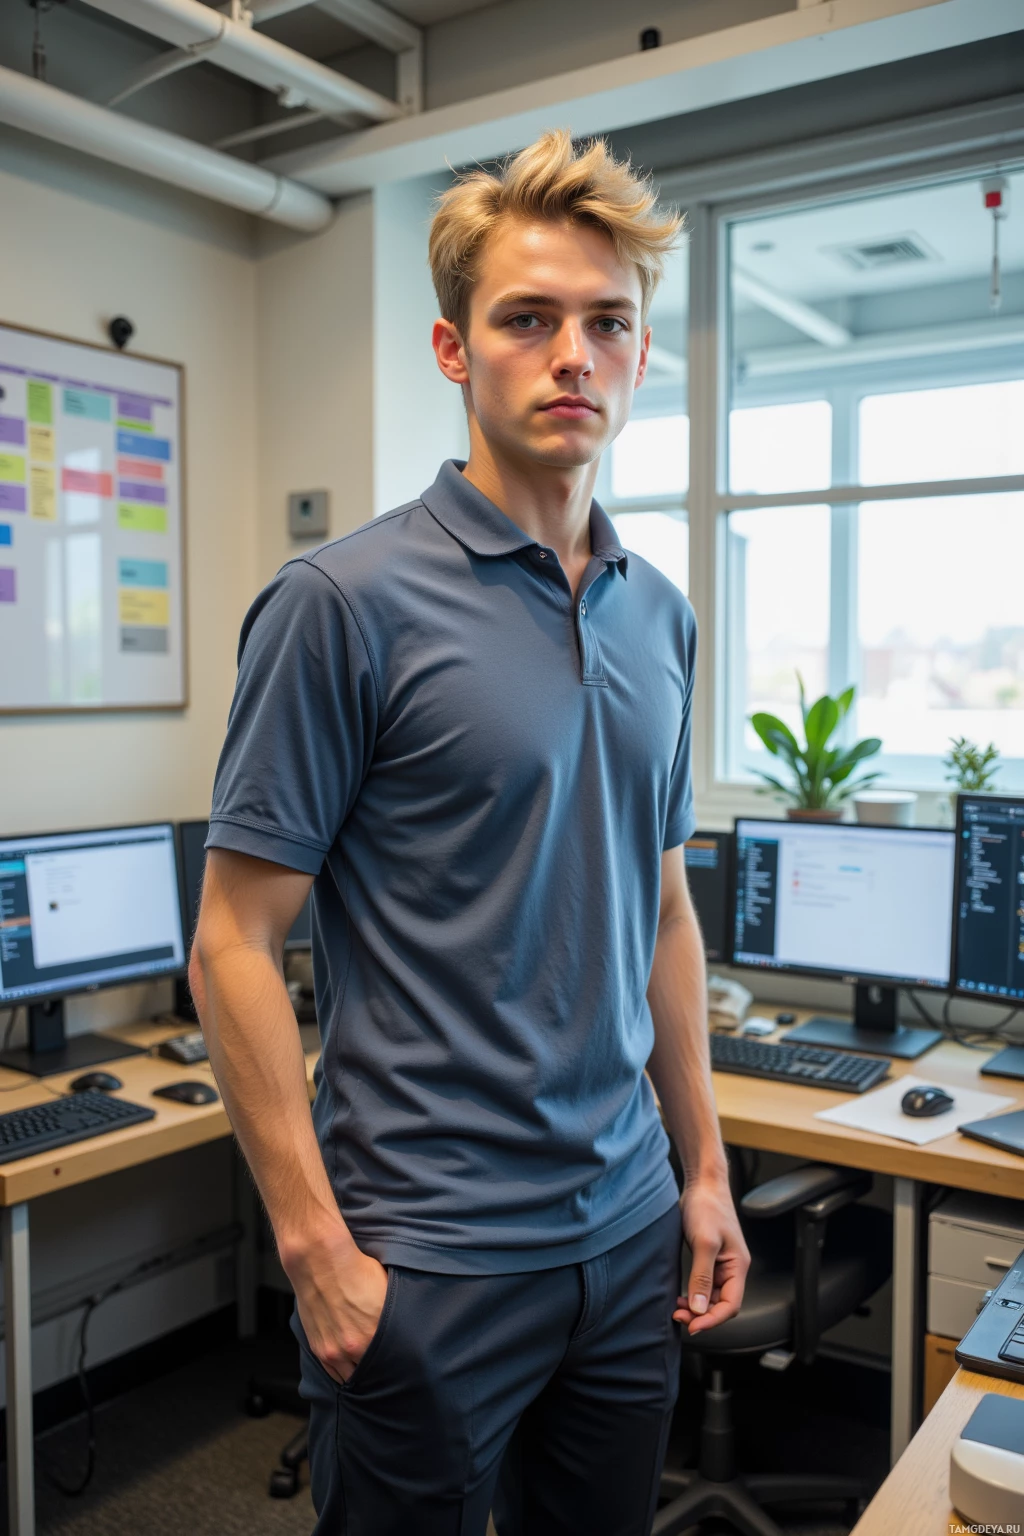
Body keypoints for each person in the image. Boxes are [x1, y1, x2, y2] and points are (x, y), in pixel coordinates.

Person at [190, 129, 749, 1536]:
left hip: (628, 1235)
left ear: (640, 355)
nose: (573, 356)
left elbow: (662, 910)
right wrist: (314, 1250)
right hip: (429, 1259)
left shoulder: (661, 613)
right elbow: (234, 941)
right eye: (527, 319)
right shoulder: (340, 605)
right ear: (454, 349)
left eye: (606, 324)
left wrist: (702, 1170)